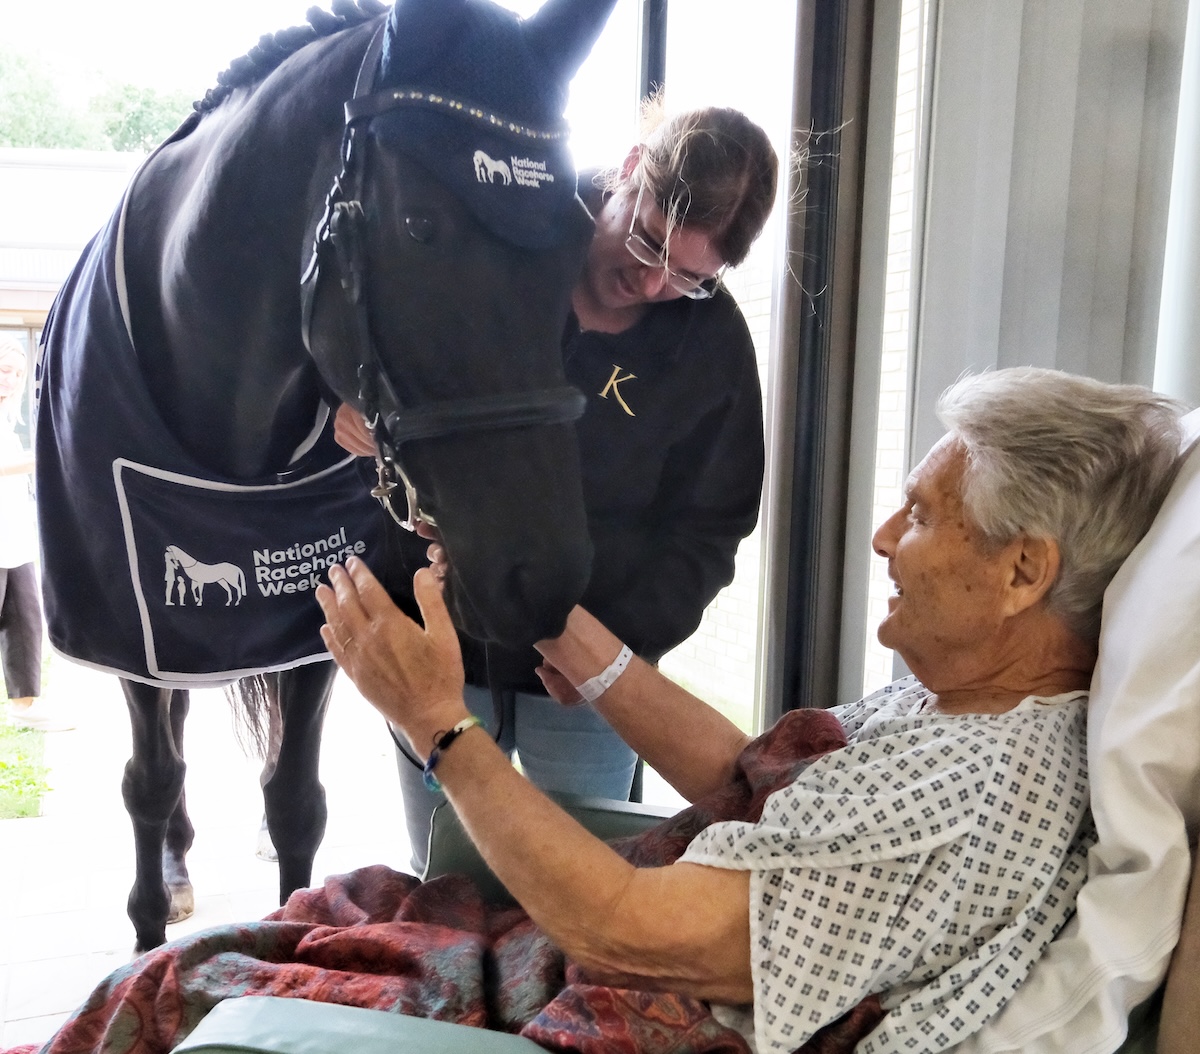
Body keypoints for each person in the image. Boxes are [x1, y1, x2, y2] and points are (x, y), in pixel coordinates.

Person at [15, 368, 1186, 1054]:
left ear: (1028, 572)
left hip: (614, 1005)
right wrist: (550, 616)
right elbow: (753, 779)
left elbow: (628, 928)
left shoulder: (974, 795)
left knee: (182, 989)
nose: (885, 538)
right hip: (588, 944)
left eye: (923, 516)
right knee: (286, 923)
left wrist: (438, 723)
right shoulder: (962, 712)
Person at [336, 98, 780, 870]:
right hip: (436, 630)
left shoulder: (713, 345)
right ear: (630, 171)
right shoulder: (502, 240)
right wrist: (348, 394)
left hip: (587, 666)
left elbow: (710, 532)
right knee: (444, 877)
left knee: (585, 879)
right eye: (647, 244)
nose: (651, 284)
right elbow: (373, 317)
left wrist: (613, 655)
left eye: (689, 276)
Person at [0, 338, 68, 732]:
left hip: (15, 538)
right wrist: (44, 456)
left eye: (17, 375)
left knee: (25, 621)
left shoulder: (9, 417)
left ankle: (23, 705)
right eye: (3, 371)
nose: (10, 381)